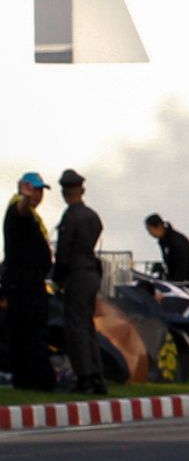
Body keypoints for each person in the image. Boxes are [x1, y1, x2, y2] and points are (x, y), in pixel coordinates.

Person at [52, 170, 105, 397]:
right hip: (91, 272)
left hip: (76, 274)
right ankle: (96, 375)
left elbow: (63, 253)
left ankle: (85, 377)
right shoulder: (92, 216)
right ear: (82, 191)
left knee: (76, 328)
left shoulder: (70, 217)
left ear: (65, 193)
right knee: (87, 326)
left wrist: (57, 278)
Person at [2, 173, 56, 391]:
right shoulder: (18, 209)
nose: (38, 195)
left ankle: (29, 379)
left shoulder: (33, 216)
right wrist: (24, 198)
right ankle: (37, 380)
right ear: (23, 189)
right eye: (34, 190)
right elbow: (21, 211)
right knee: (29, 332)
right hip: (23, 283)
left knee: (27, 331)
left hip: (29, 282)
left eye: (40, 190)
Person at [145, 215, 189, 285]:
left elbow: (182, 265)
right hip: (176, 278)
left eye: (150, 230)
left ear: (158, 226)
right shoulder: (164, 240)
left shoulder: (176, 240)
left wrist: (176, 283)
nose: (150, 233)